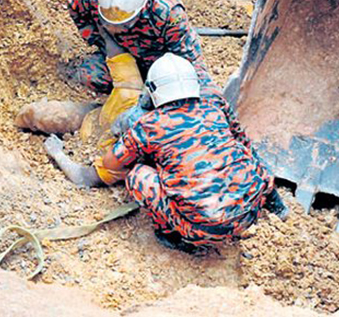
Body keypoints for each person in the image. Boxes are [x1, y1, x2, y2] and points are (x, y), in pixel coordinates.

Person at [45, 53, 287, 251]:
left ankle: (170, 235)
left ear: (152, 91)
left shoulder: (150, 126)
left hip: (205, 230)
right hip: (249, 213)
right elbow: (243, 142)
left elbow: (111, 163)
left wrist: (60, 153)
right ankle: (277, 206)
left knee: (138, 174)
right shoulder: (214, 107)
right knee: (246, 155)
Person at [64, 0, 211, 94]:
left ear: (141, 8)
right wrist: (102, 41)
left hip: (161, 69)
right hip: (124, 58)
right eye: (110, 24)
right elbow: (74, 5)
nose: (117, 30)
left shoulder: (169, 14)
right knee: (90, 75)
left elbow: (189, 63)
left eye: (124, 25)